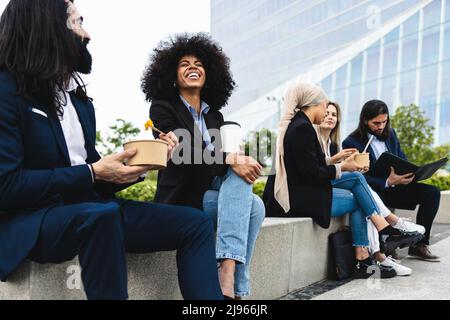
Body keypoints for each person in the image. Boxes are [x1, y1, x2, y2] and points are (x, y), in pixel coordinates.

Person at [0, 0, 223, 300]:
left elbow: (96, 175)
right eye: (77, 22)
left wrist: (137, 165)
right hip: (34, 221)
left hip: (92, 209)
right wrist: (91, 172)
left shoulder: (79, 100)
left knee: (195, 222)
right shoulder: (6, 91)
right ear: (47, 26)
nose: (87, 34)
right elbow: (7, 186)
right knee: (101, 216)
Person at [142, 34, 265, 299]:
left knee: (253, 199)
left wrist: (235, 157)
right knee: (254, 205)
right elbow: (182, 153)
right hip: (183, 199)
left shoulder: (215, 115)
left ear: (209, 74)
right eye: (184, 64)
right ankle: (235, 283)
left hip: (211, 193)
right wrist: (228, 159)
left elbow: (215, 163)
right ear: (173, 76)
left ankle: (228, 273)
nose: (193, 67)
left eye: (199, 63)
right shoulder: (162, 109)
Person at [263, 82, 422, 278]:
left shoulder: (300, 125)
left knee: (356, 180)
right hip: (301, 199)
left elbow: (309, 166)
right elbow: (312, 174)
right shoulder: (302, 128)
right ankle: (371, 247)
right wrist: (343, 167)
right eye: (325, 106)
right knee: (357, 196)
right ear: (314, 104)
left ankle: (377, 239)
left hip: (304, 191)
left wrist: (335, 160)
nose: (326, 111)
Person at [316, 101, 426, 275]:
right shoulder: (319, 140)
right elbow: (317, 171)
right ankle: (387, 237)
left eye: (334, 114)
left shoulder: (333, 143)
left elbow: (336, 172)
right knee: (361, 187)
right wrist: (345, 166)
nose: (330, 117)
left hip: (347, 187)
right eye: (327, 113)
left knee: (362, 194)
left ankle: (366, 258)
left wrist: (350, 166)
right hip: (319, 192)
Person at [343, 100, 441, 262]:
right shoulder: (351, 142)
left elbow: (401, 158)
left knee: (432, 193)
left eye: (384, 121)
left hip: (398, 187)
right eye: (376, 123)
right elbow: (357, 177)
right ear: (365, 120)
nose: (381, 126)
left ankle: (419, 245)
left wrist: (410, 174)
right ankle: (387, 246)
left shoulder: (391, 134)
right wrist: (387, 181)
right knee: (375, 199)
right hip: (375, 191)